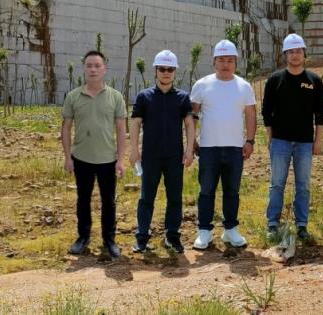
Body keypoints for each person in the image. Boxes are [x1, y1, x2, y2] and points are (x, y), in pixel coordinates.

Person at [190, 39, 257, 250]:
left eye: (230, 60)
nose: (225, 64)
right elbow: (193, 115)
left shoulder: (244, 86)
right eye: (221, 60)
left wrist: (250, 140)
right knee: (206, 191)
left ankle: (230, 230)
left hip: (235, 148)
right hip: (208, 148)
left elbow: (250, 114)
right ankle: (204, 231)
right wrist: (191, 140)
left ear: (236, 62)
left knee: (232, 191)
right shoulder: (202, 85)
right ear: (214, 62)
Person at [61, 50, 127, 259]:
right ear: (84, 69)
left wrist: (121, 159)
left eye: (97, 65)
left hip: (107, 160)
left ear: (104, 69)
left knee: (109, 201)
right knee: (83, 199)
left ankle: (109, 240)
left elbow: (120, 129)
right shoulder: (73, 96)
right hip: (81, 158)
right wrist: (67, 157)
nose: (93, 69)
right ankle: (83, 237)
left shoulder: (115, 97)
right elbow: (66, 127)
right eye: (89, 65)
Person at [128, 50, 195, 253]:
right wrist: (134, 150)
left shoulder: (183, 98)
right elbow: (136, 124)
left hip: (175, 157)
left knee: (175, 197)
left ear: (175, 72)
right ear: (155, 71)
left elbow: (190, 125)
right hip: (150, 156)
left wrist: (189, 150)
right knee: (147, 197)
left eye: (170, 69)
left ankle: (172, 236)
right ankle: (142, 237)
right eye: (162, 69)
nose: (166, 73)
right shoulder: (144, 97)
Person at [262, 34, 323, 242]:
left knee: (303, 184)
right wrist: (270, 137)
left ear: (304, 53)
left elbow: (320, 114)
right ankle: (272, 223)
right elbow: (266, 111)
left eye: (298, 51)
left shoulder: (314, 81)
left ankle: (301, 225)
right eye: (291, 51)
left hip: (305, 143)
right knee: (277, 183)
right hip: (280, 141)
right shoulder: (275, 80)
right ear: (285, 55)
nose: (295, 55)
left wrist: (318, 141)